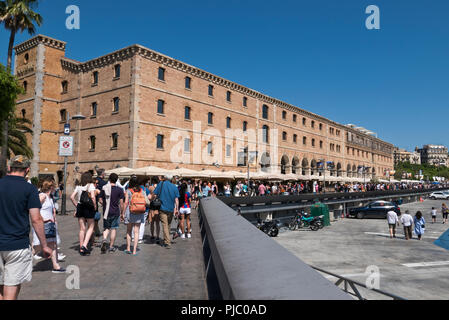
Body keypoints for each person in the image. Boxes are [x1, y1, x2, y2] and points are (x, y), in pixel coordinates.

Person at [0, 156, 52, 300]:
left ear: (9, 168)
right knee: (11, 288)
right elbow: (36, 219)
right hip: (17, 245)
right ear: (27, 170)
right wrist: (44, 245)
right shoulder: (29, 189)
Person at [31, 180, 66, 273]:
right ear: (51, 188)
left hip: (50, 225)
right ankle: (23, 265)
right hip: (42, 225)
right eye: (54, 187)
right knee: (37, 247)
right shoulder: (42, 196)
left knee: (53, 245)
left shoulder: (49, 197)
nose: (55, 189)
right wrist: (42, 219)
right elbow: (34, 209)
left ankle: (56, 266)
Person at [70, 172, 97, 256]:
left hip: (80, 207)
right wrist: (95, 206)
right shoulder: (91, 185)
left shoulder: (78, 186)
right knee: (91, 227)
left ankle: (81, 247)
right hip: (88, 207)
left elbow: (71, 197)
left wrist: (76, 205)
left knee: (82, 229)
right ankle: (85, 245)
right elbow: (92, 197)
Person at [152, 174, 180, 249]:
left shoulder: (161, 184)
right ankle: (166, 239)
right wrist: (177, 209)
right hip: (171, 208)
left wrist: (151, 199)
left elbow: (154, 194)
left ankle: (167, 242)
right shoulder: (174, 187)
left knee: (165, 225)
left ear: (164, 178)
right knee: (168, 225)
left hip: (162, 208)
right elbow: (176, 200)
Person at [99, 173, 125, 253]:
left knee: (106, 228)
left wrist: (104, 204)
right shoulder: (120, 190)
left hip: (106, 212)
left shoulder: (104, 188)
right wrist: (122, 213)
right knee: (113, 229)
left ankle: (104, 240)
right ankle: (111, 246)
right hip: (115, 212)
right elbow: (121, 203)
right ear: (117, 180)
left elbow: (100, 199)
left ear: (109, 179)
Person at [123, 176, 146, 255]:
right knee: (136, 232)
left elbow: (126, 202)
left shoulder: (128, 191)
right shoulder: (142, 191)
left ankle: (128, 248)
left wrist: (122, 212)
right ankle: (134, 250)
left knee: (129, 231)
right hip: (139, 212)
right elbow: (146, 201)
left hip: (130, 212)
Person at [148, 179, 161, 244]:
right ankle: (158, 236)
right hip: (158, 207)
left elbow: (149, 197)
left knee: (152, 222)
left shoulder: (150, 187)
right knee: (157, 223)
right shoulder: (160, 187)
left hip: (152, 206)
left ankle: (152, 235)